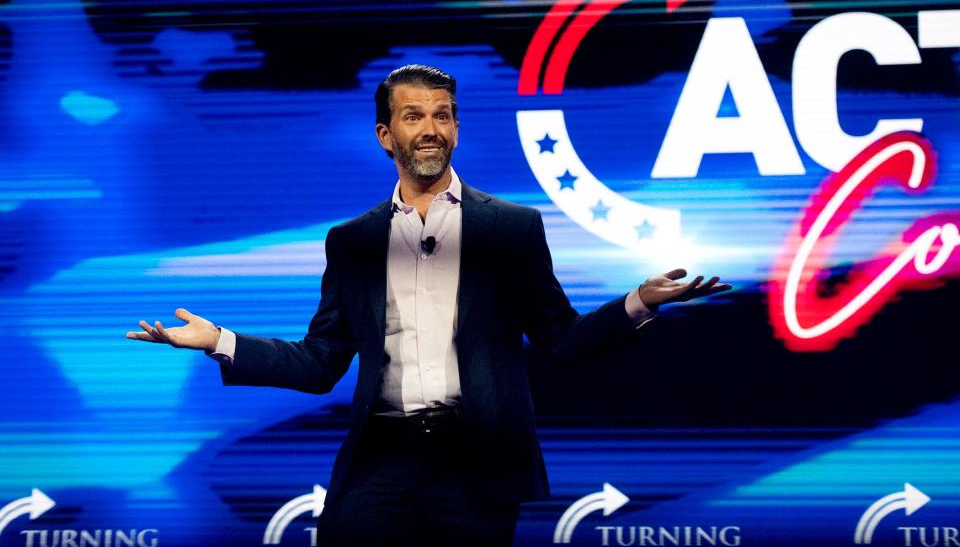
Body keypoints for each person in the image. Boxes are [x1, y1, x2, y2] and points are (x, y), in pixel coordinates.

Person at [126, 64, 730, 547]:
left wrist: (637, 303)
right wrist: (221, 342)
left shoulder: (511, 229)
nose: (431, 128)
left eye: (443, 115)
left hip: (477, 459)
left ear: (457, 129)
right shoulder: (352, 241)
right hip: (379, 461)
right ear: (386, 136)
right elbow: (320, 362)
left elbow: (562, 340)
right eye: (413, 116)